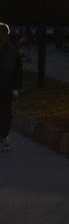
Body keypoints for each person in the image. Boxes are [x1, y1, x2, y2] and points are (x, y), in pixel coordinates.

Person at [0, 22, 23, 151]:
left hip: (6, 85)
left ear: (6, 36)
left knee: (6, 112)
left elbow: (18, 71)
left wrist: (17, 86)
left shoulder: (13, 52)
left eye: (2, 34)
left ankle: (5, 136)